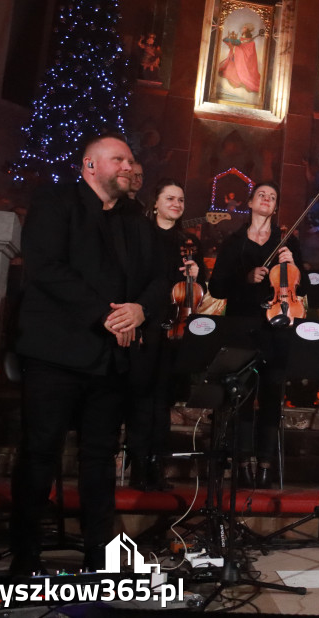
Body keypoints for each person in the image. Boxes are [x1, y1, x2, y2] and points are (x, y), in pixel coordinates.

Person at [10, 133, 168, 573]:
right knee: (41, 452)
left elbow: (161, 276)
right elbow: (46, 269)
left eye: (131, 159)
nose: (129, 166)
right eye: (118, 158)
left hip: (110, 360)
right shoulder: (56, 202)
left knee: (99, 458)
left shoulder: (137, 219)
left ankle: (99, 553)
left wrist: (139, 309)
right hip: (55, 354)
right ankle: (26, 555)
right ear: (90, 166)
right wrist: (106, 314)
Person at [208, 182, 305, 489]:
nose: (267, 199)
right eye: (262, 195)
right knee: (243, 398)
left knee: (272, 398)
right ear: (250, 202)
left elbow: (305, 286)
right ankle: (243, 463)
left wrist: (292, 265)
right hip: (243, 328)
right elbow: (216, 288)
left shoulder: (286, 241)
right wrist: (245, 277)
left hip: (278, 327)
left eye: (273, 197)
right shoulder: (234, 242)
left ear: (275, 208)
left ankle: (265, 464)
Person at [125, 179, 206, 491]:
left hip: (174, 330)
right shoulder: (140, 235)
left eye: (181, 200)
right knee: (140, 400)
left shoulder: (187, 242)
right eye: (170, 197)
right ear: (155, 203)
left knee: (162, 403)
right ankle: (138, 468)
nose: (176, 203)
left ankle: (155, 468)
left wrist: (198, 275)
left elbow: (197, 292)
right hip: (145, 327)